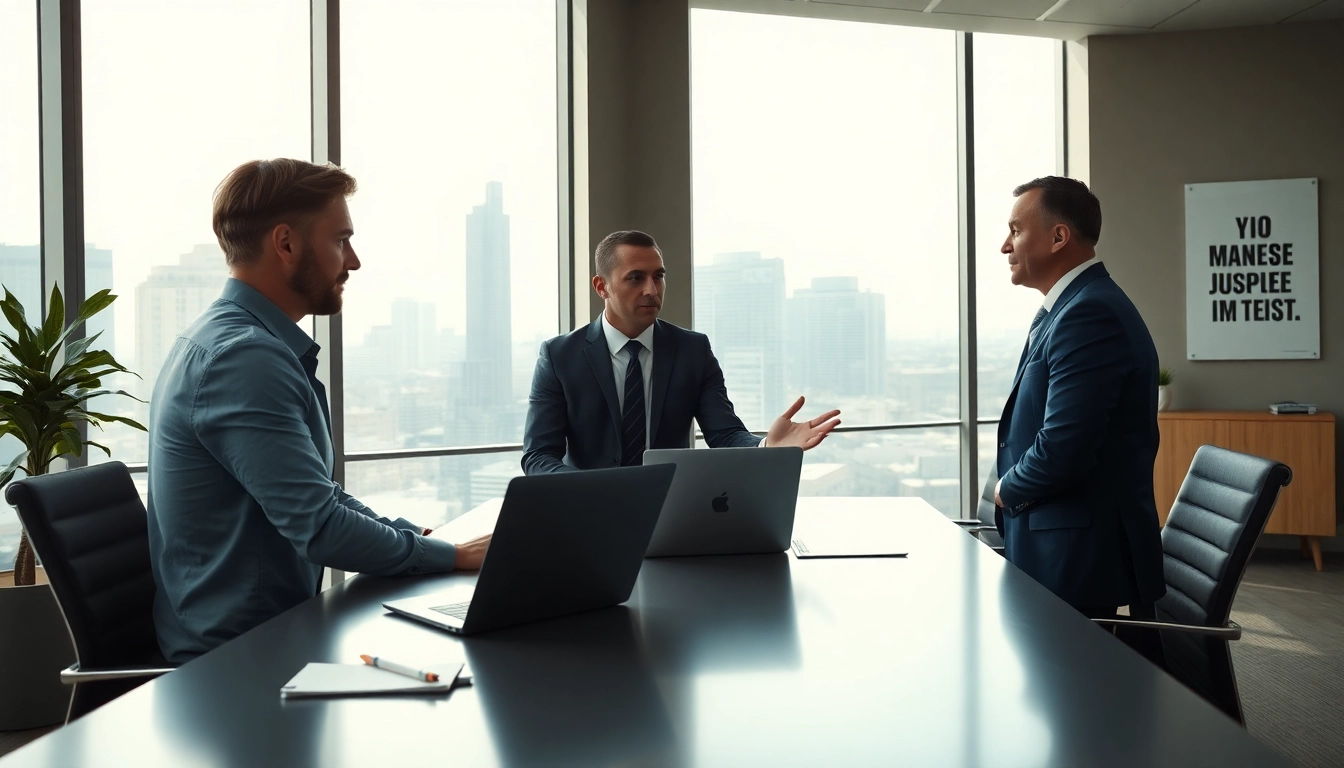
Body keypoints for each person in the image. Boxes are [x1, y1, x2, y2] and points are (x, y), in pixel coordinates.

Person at [147, 159, 489, 663]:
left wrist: (415, 538)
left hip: (270, 636)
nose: (353, 262)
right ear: (285, 244)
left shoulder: (227, 341)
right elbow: (321, 527)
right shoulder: (244, 359)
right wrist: (453, 557)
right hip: (240, 663)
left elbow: (319, 497)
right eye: (340, 241)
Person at [522, 230, 840, 475]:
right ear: (601, 286)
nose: (651, 289)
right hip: (587, 512)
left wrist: (769, 446)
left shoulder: (693, 350)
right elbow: (538, 455)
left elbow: (726, 435)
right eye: (635, 277)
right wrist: (588, 489)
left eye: (658, 276)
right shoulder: (559, 356)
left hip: (671, 511)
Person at [993, 176, 1166, 622]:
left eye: (1015, 230)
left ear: (1058, 237)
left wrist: (1004, 490)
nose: (1004, 246)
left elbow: (1064, 448)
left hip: (1074, 561)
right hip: (1055, 551)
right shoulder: (1068, 308)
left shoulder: (1089, 313)